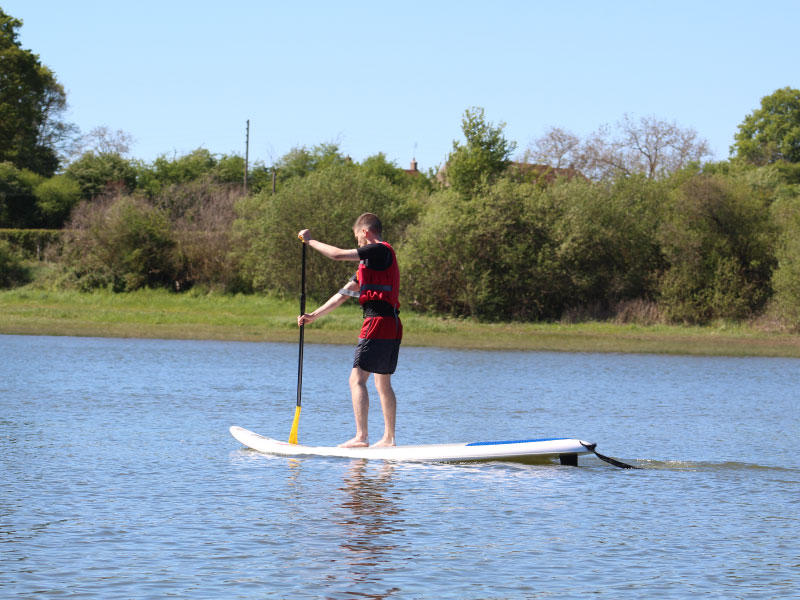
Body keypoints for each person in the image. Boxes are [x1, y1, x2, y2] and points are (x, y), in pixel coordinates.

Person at [297, 213, 402, 448]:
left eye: (358, 238)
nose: (358, 244)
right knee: (381, 383)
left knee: (356, 379)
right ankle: (388, 439)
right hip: (391, 323)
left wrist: (310, 241)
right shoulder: (372, 263)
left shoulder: (378, 250)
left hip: (377, 322)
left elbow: (335, 255)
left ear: (365, 232)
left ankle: (361, 437)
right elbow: (343, 294)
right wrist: (314, 315)